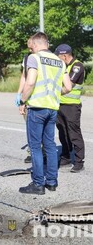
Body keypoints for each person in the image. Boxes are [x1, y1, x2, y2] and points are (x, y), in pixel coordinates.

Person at [18, 32, 72, 195]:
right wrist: (54, 93)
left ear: (35, 44)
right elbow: (68, 87)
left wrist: (22, 100)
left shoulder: (34, 58)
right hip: (52, 108)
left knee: (35, 147)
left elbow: (31, 81)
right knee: (49, 145)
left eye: (31, 46)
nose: (31, 49)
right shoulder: (59, 61)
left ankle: (38, 184)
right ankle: (52, 182)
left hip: (37, 108)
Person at [54, 44, 85, 173]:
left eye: (58, 56)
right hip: (60, 105)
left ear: (64, 55)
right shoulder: (63, 66)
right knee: (63, 133)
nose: (57, 59)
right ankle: (66, 157)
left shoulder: (77, 66)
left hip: (72, 106)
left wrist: (53, 88)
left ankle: (79, 161)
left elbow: (69, 85)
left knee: (74, 134)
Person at [15, 37, 33, 163]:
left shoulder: (43, 58)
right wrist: (19, 94)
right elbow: (24, 77)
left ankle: (42, 151)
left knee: (38, 127)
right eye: (28, 45)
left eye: (30, 45)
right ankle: (31, 151)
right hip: (27, 96)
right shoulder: (26, 58)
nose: (29, 48)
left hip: (39, 97)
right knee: (29, 125)